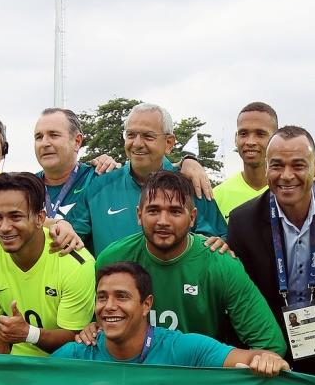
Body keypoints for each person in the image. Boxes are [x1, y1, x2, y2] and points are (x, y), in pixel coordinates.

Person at [97, 170, 285, 352]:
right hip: (133, 377)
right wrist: (90, 330)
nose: (163, 221)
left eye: (175, 211)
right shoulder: (112, 259)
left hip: (200, 378)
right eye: (153, 210)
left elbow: (270, 345)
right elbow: (94, 327)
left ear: (192, 217)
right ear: (139, 215)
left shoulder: (219, 263)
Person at [226, 126, 315, 380]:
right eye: (277, 165)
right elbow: (238, 299)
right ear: (266, 168)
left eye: (298, 165)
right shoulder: (242, 221)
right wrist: (253, 355)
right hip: (270, 357)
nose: (287, 175)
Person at [50, 262, 300, 375]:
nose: (109, 307)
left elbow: (251, 357)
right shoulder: (77, 354)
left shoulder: (184, 349)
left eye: (122, 297)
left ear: (146, 304)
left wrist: (269, 360)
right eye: (102, 297)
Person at [63, 103, 226, 255]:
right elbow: (69, 236)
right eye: (131, 135)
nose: (137, 143)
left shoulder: (193, 184)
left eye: (148, 136)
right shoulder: (99, 185)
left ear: (169, 143)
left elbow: (219, 243)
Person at [0, 171, 94, 356]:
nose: (4, 227)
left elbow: (76, 338)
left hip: (68, 367)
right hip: (18, 370)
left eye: (15, 217)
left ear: (40, 218)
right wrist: (3, 379)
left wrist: (29, 334)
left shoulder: (76, 265)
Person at [213, 102, 277, 218]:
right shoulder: (217, 196)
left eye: (260, 134)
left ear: (276, 139)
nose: (250, 142)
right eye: (243, 134)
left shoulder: (290, 192)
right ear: (235, 139)